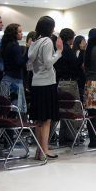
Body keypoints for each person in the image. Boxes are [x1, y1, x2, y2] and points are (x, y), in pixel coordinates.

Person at [28, 16, 63, 160]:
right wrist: (59, 52)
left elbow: (30, 64)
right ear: (50, 28)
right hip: (47, 83)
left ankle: (39, 150)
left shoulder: (34, 42)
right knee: (47, 119)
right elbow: (49, 63)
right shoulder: (48, 41)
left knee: (39, 120)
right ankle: (45, 150)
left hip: (36, 83)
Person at [55, 28, 83, 144]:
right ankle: (71, 136)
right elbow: (76, 66)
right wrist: (82, 52)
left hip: (60, 82)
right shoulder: (68, 51)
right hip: (69, 83)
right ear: (70, 38)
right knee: (73, 109)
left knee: (63, 110)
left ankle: (63, 136)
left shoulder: (59, 50)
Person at [0, 23, 28, 114]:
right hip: (14, 81)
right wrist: (28, 51)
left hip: (6, 79)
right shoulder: (15, 46)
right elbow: (20, 63)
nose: (21, 34)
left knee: (6, 109)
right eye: (19, 32)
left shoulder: (6, 45)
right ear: (13, 34)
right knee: (14, 109)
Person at [72, 35, 87, 101]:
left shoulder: (73, 51)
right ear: (79, 43)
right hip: (80, 78)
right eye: (84, 42)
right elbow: (80, 65)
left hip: (76, 78)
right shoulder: (80, 52)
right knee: (81, 97)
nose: (85, 43)